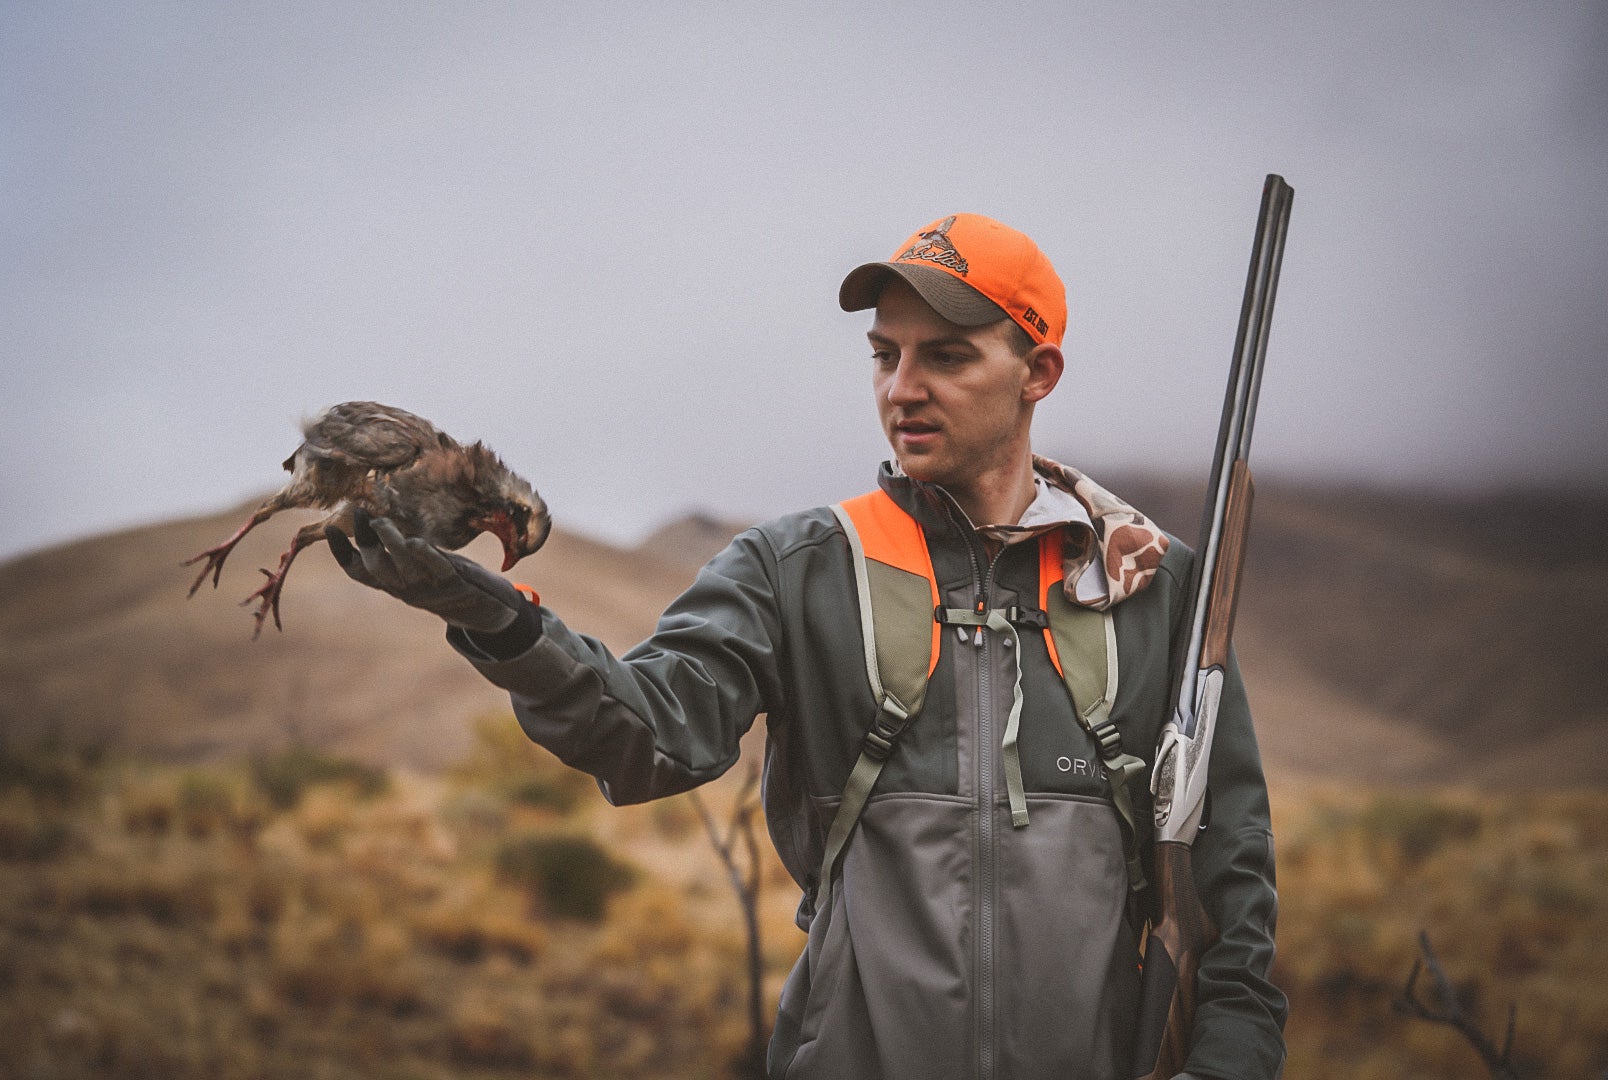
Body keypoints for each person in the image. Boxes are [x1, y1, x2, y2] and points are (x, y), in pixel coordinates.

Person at [325, 212, 1287, 1080]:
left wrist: (1230, 1062)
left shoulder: (1156, 587)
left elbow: (1231, 875)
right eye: (884, 355)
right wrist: (504, 624)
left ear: (1037, 373)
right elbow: (647, 736)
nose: (902, 389)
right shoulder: (798, 567)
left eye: (947, 356)